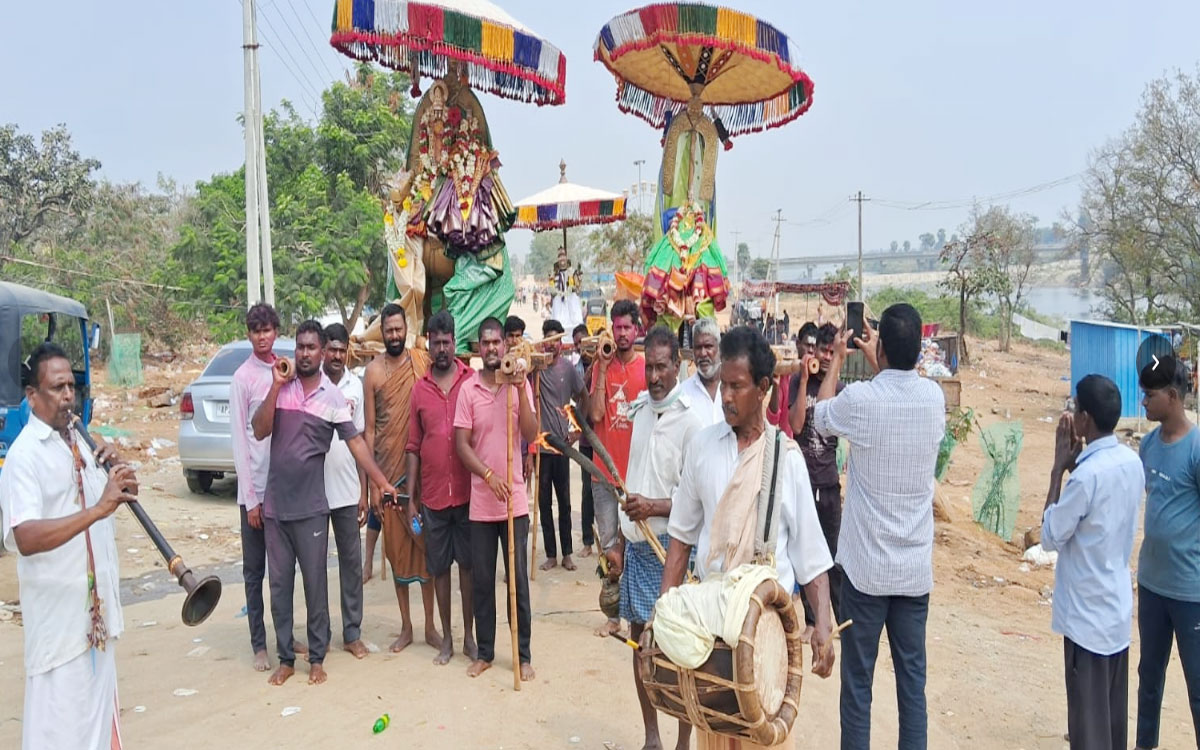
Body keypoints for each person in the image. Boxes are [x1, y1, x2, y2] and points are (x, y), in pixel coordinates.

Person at [663, 326, 836, 748]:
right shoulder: (702, 448)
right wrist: (663, 612)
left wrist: (824, 626)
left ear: (762, 388)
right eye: (723, 385)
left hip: (770, 633)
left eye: (736, 387)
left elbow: (811, 558)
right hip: (713, 627)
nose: (725, 397)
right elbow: (681, 541)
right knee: (717, 738)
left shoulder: (786, 459)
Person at [812, 303, 945, 750]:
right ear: (921, 348)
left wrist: (835, 359)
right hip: (912, 574)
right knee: (912, 688)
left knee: (858, 688)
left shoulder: (862, 401)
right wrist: (883, 362)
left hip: (866, 574)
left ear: (880, 344)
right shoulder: (934, 399)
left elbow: (820, 416)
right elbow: (902, 387)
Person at [0, 343, 138, 749]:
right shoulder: (25, 457)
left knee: (97, 732)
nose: (67, 397)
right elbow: (24, 537)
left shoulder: (79, 443)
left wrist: (120, 478)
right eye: (56, 388)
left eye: (71, 388)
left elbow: (109, 504)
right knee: (58, 735)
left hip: (95, 622)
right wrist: (98, 509)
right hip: (59, 628)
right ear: (32, 397)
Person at [252, 320, 394, 686]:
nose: (304, 353)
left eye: (310, 348)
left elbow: (357, 443)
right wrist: (275, 387)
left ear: (322, 352)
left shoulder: (332, 398)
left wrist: (380, 482)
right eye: (300, 347)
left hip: (312, 508)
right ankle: (286, 658)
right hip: (276, 509)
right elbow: (260, 429)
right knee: (280, 586)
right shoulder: (281, 388)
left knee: (316, 586)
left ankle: (317, 658)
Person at [1042, 374, 1143, 750]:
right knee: (1112, 725)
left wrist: (1057, 470)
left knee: (1087, 729)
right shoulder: (1131, 462)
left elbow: (1050, 535)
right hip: (1115, 612)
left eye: (1074, 409)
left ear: (1085, 420)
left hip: (1086, 618)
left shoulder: (1084, 478)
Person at [615, 326, 704, 750]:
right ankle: (652, 737)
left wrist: (654, 507)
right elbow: (632, 481)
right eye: (648, 367)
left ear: (678, 367)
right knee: (639, 647)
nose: (653, 377)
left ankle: (684, 740)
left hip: (671, 550)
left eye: (662, 368)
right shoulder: (641, 412)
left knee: (678, 652)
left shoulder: (694, 421)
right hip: (636, 547)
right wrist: (618, 540)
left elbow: (694, 498)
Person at [454, 317, 538, 681]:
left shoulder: (519, 383)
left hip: (514, 503)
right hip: (482, 505)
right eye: (484, 343)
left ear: (505, 345)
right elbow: (461, 445)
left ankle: (523, 654)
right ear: (479, 348)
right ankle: (485, 651)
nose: (491, 348)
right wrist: (488, 475)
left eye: (496, 342)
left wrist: (520, 388)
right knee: (483, 580)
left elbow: (532, 433)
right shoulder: (468, 390)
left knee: (517, 580)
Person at [362, 303, 441, 653]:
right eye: (388, 330)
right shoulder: (373, 373)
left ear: (406, 328)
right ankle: (406, 627)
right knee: (396, 555)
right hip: (388, 479)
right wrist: (370, 488)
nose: (394, 335)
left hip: (422, 478)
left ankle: (429, 626)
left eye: (399, 329)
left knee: (426, 555)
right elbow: (368, 433)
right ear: (382, 331)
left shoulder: (422, 362)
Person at [229, 302, 301, 672]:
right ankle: (260, 644)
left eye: (267, 330)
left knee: (284, 569)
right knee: (255, 571)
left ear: (276, 332)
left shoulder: (284, 369)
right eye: (256, 331)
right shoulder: (242, 378)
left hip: (284, 489)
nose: (262, 337)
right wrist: (251, 500)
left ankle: (286, 637)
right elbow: (241, 444)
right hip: (255, 492)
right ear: (249, 334)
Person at [1136, 355, 1200, 750]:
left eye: (1150, 395)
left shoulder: (1195, 449)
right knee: (1148, 680)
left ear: (1173, 397)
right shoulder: (1146, 445)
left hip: (1190, 593)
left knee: (1197, 686)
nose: (1143, 402)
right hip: (1152, 586)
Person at [406, 311, 478, 666]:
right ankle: (447, 639)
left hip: (468, 494)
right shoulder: (420, 389)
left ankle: (469, 637)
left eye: (446, 342)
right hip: (433, 496)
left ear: (455, 340)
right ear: (428, 345)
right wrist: (412, 499)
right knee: (440, 570)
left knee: (468, 567)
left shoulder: (472, 381)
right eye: (435, 343)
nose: (441, 349)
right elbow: (413, 446)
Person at [589, 299, 648, 637]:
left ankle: (635, 613)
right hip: (603, 473)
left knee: (636, 544)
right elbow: (596, 415)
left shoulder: (644, 368)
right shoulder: (603, 364)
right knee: (610, 544)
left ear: (636, 330)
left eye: (627, 327)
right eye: (617, 327)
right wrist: (600, 367)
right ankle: (613, 616)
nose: (622, 333)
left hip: (635, 473)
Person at [789, 322, 845, 628]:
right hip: (804, 484)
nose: (824, 357)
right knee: (807, 555)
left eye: (829, 351)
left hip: (828, 483)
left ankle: (839, 618)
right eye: (821, 350)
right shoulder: (801, 381)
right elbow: (796, 427)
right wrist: (803, 382)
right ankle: (811, 623)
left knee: (834, 556)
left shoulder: (838, 389)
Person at [321, 323, 369, 660]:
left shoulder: (356, 386)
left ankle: (352, 633)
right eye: (332, 349)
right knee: (315, 568)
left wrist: (364, 493)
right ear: (323, 350)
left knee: (351, 566)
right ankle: (320, 634)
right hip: (313, 493)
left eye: (342, 350)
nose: (337, 355)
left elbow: (362, 439)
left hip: (349, 492)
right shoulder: (310, 384)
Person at [535, 319, 587, 572]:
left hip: (562, 448)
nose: (552, 346)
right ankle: (551, 555)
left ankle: (567, 554)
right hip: (541, 449)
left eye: (556, 341)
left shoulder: (568, 369)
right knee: (544, 504)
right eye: (548, 341)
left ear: (560, 343)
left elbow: (583, 397)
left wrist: (577, 431)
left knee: (564, 503)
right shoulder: (536, 368)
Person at [573, 323, 598, 558]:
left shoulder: (605, 362)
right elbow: (577, 396)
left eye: (586, 343)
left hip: (605, 439)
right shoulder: (577, 369)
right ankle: (588, 541)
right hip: (586, 439)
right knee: (587, 492)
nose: (584, 350)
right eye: (579, 345)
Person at [680, 317, 723, 427]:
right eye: (698, 347)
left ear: (719, 349)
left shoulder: (735, 390)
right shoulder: (683, 394)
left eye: (708, 346)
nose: (703, 353)